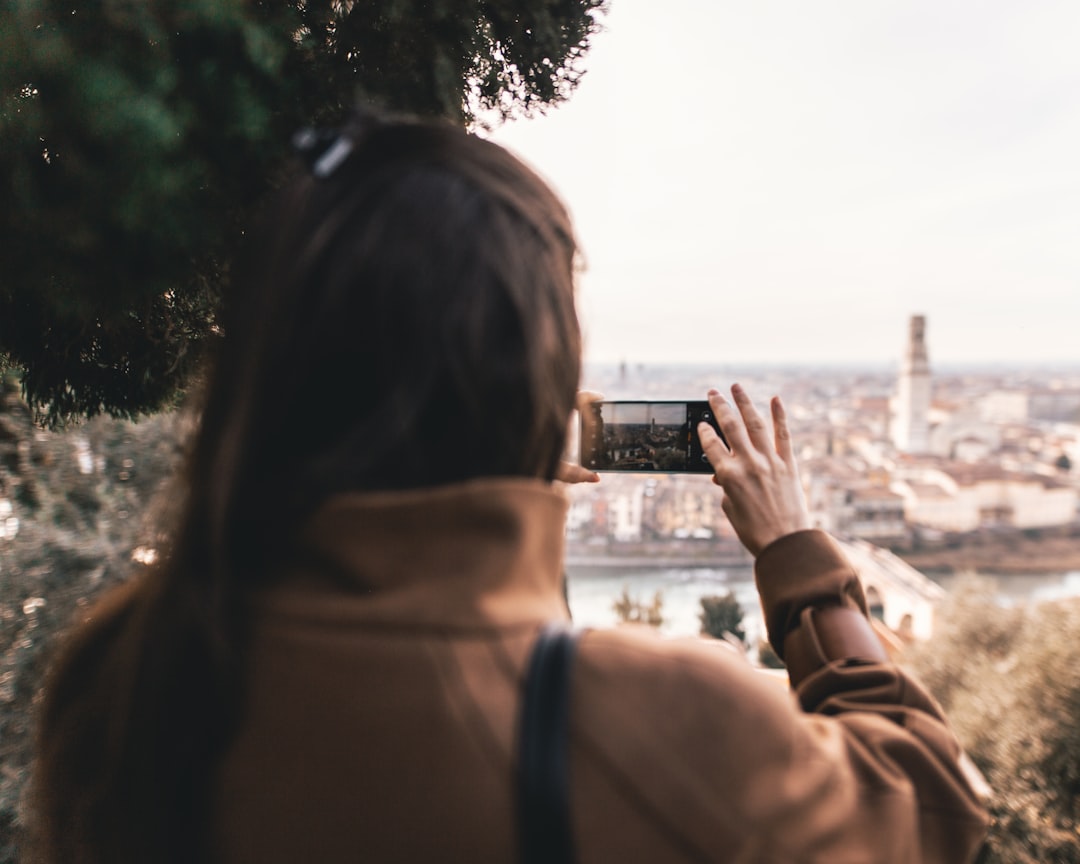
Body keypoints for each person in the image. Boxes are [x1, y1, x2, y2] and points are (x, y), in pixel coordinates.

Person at [32, 108, 987, 863]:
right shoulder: (662, 722)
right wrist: (796, 557)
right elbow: (933, 804)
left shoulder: (123, 674)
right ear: (540, 366)